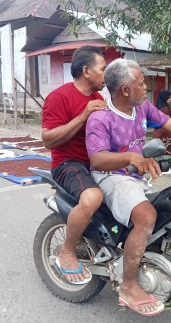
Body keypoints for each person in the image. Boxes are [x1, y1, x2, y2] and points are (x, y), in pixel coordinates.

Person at [85, 59, 171, 316]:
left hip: (136, 174)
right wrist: (130, 158)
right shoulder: (101, 117)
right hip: (111, 175)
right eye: (141, 82)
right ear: (125, 89)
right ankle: (129, 285)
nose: (146, 87)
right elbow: (97, 158)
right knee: (147, 216)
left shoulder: (142, 107)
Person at [41, 46, 107, 284]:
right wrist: (82, 116)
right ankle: (67, 251)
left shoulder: (99, 99)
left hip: (95, 163)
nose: (106, 75)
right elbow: (48, 139)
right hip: (67, 163)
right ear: (87, 71)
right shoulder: (60, 96)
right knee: (91, 198)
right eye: (103, 69)